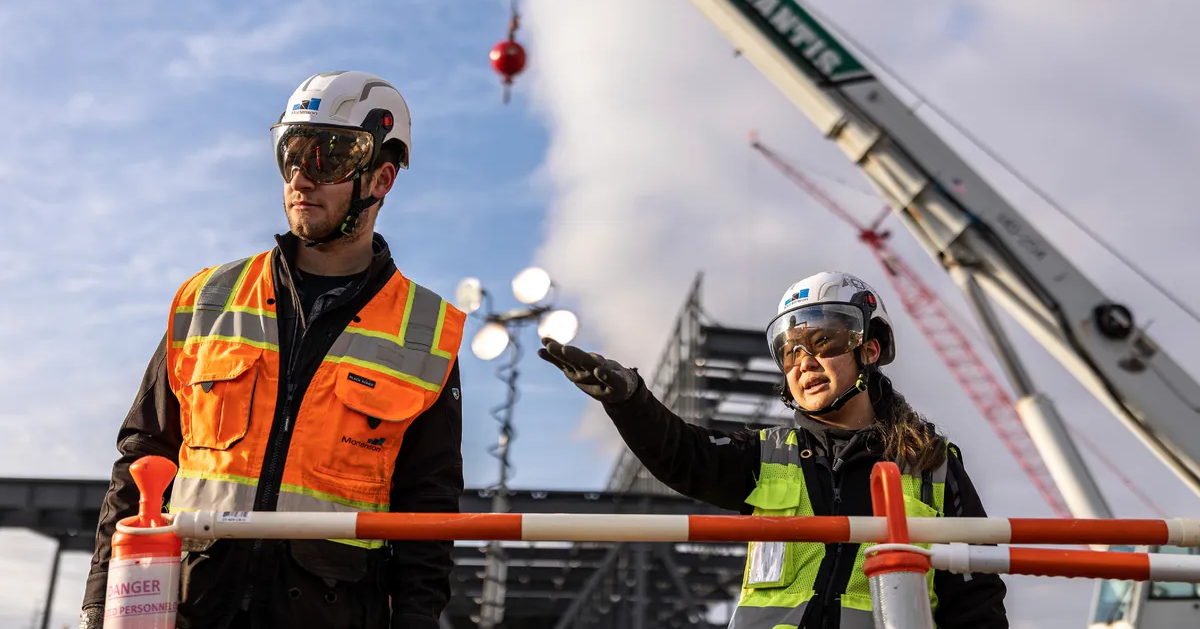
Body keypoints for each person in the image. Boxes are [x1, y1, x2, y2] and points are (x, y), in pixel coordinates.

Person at [79, 71, 467, 629]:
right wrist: (101, 600)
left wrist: (416, 620)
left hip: (328, 613)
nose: (301, 177)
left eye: (329, 157)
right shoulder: (208, 299)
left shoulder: (426, 333)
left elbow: (427, 509)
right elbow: (141, 457)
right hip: (193, 606)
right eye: (291, 154)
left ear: (382, 178)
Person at [538, 271, 1008, 628]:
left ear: (870, 349)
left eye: (825, 340)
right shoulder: (766, 455)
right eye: (790, 351)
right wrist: (630, 400)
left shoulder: (932, 464)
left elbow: (976, 599)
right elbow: (682, 456)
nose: (805, 362)